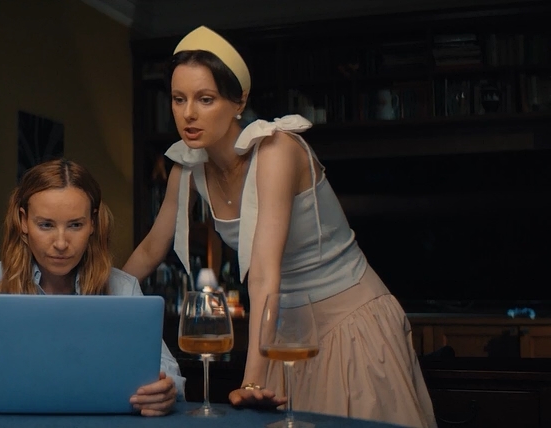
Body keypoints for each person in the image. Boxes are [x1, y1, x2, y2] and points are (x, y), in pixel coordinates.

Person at [122, 26, 438, 428]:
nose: (188, 114)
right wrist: (97, 301)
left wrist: (251, 380)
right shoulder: (186, 169)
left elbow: (264, 273)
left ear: (239, 101)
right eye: (178, 99)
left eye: (206, 99)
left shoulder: (276, 150)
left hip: (346, 322)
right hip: (282, 331)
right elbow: (152, 248)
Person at [0, 158, 183, 417]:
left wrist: (165, 390)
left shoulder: (124, 289)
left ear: (92, 223)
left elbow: (168, 372)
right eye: (46, 225)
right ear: (23, 221)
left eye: (75, 225)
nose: (61, 243)